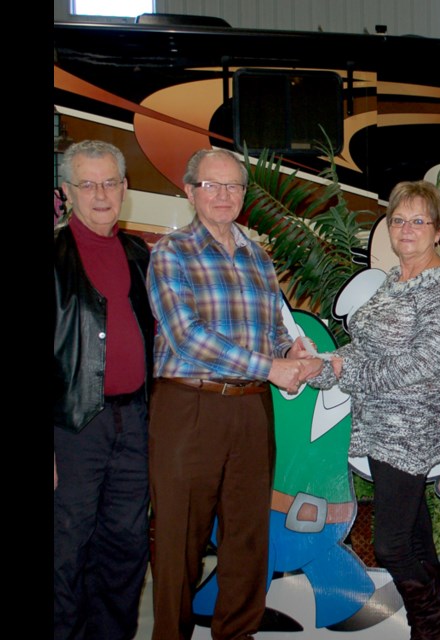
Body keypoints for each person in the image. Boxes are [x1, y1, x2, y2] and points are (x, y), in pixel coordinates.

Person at [147, 148, 315, 640]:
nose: (224, 196)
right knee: (181, 541)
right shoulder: (170, 253)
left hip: (251, 409)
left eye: (234, 187)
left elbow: (270, 332)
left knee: (247, 538)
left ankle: (237, 634)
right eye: (212, 186)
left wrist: (294, 349)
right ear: (189, 190)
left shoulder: (258, 257)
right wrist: (273, 366)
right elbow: (187, 337)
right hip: (188, 406)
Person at [307, 180, 440, 640]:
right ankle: (432, 629)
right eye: (398, 219)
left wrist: (345, 373)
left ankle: (432, 630)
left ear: (439, 230)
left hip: (412, 431)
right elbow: (364, 349)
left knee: (392, 543)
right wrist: (318, 367)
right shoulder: (396, 280)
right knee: (415, 535)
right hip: (380, 427)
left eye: (419, 220)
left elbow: (424, 363)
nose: (406, 229)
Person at [54, 140, 154, 640]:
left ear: (124, 189)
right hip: (71, 426)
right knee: (65, 550)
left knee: (126, 546)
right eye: (87, 184)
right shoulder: (54, 255)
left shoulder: (139, 253)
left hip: (134, 421)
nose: (100, 194)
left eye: (109, 182)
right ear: (67, 192)